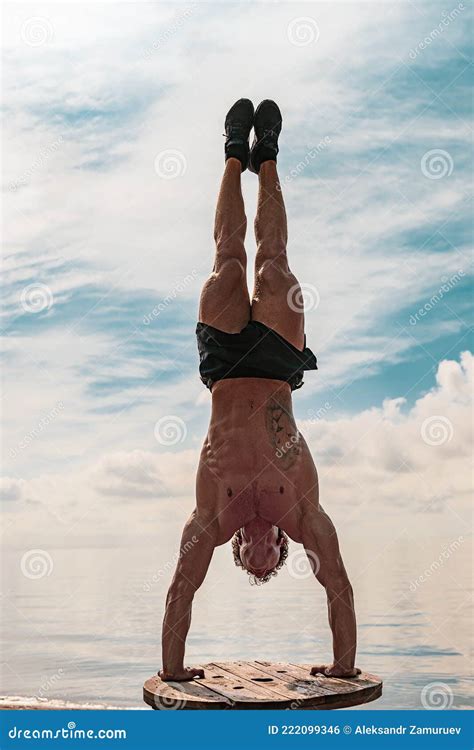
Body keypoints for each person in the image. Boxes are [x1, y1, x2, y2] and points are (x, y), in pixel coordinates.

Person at [159, 99, 359, 682]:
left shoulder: (211, 521)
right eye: (268, 561)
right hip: (276, 365)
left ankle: (231, 153)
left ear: (241, 554)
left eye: (251, 563)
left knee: (225, 265)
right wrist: (343, 668)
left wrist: (174, 673)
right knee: (274, 266)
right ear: (280, 549)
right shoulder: (302, 510)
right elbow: (338, 585)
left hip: (221, 370)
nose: (258, 556)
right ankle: (265, 155)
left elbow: (179, 590)